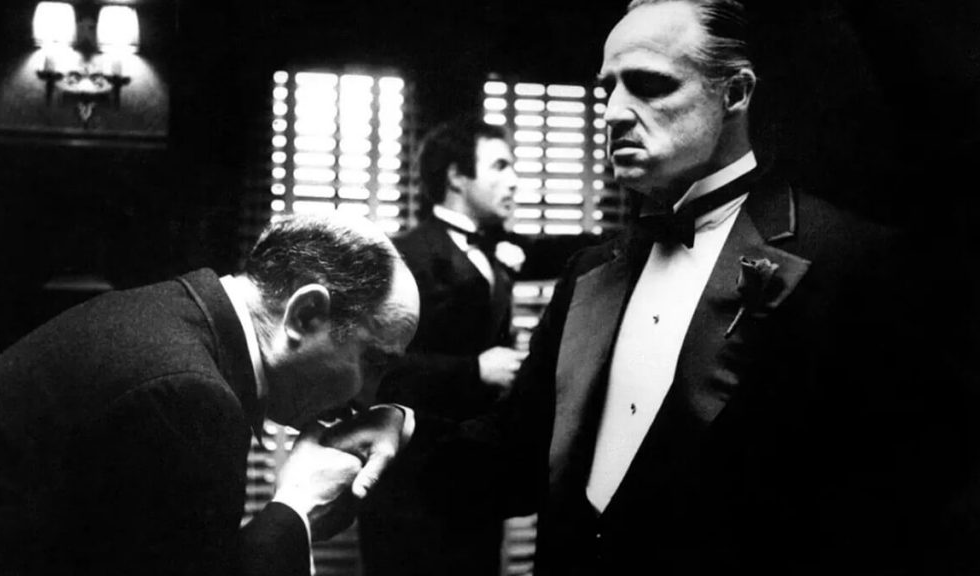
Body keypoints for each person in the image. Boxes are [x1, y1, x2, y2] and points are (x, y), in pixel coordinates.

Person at [329, 1, 963, 574]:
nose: (612, 112)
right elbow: (519, 455)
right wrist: (399, 430)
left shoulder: (853, 261)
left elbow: (897, 503)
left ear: (735, 92)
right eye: (607, 88)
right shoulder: (589, 272)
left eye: (650, 84)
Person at [0, 213, 419, 576]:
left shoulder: (176, 322)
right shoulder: (188, 397)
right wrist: (298, 509)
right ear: (305, 315)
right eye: (373, 362)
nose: (367, 397)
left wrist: (393, 416)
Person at [358, 117, 527, 576]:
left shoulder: (496, 250)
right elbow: (371, 368)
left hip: (475, 485)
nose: (514, 180)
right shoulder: (402, 254)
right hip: (410, 492)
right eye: (500, 166)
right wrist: (474, 370)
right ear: (456, 176)